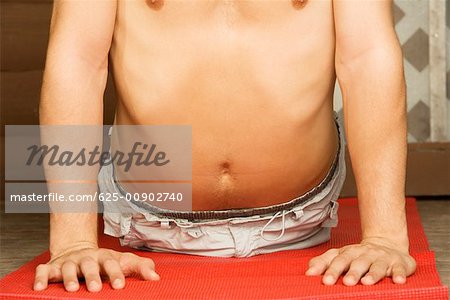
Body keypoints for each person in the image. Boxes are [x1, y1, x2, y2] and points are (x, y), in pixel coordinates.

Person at [34, 0, 416, 293]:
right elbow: (79, 59)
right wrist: (73, 243)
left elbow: (366, 58)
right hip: (144, 217)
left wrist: (385, 237)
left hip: (302, 214)